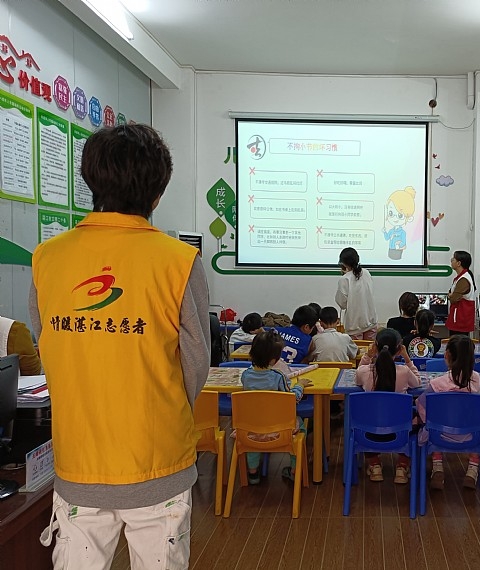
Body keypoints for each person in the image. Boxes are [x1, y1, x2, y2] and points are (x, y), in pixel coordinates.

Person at [29, 124, 211, 568]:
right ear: (158, 194)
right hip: (158, 461)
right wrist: (162, 409)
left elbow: (48, 348)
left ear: (90, 181)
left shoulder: (48, 257)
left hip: (78, 459)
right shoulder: (178, 260)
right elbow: (195, 362)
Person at [415, 335, 480, 489]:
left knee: (433, 422)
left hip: (440, 435)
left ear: (447, 355)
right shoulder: (478, 379)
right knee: (475, 419)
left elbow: (421, 405)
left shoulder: (437, 383)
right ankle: (472, 470)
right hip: (472, 436)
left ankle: (437, 467)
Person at [241, 331, 312, 484]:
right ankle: (294, 470)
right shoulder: (278, 377)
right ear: (274, 360)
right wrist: (300, 385)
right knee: (301, 426)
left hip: (252, 427)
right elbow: (291, 399)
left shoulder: (246, 376)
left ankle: (253, 472)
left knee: (252, 430)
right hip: (279, 429)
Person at [356, 328, 420, 484]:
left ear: (375, 347)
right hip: (400, 433)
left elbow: (357, 376)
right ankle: (402, 466)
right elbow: (417, 382)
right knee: (417, 418)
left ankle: (375, 465)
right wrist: (407, 359)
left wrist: (367, 356)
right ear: (399, 350)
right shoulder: (404, 371)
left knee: (362, 416)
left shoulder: (365, 371)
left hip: (368, 432)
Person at [335, 247, 378, 340]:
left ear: (343, 263)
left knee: (356, 349)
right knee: (370, 349)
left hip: (354, 326)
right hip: (371, 321)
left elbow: (342, 304)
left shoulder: (345, 279)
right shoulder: (366, 273)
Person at [445, 250, 476, 336]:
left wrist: (451, 296)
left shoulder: (464, 279)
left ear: (459, 263)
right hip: (458, 317)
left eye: (453, 259)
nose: (451, 260)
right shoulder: (461, 277)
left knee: (457, 341)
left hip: (460, 318)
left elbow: (453, 298)